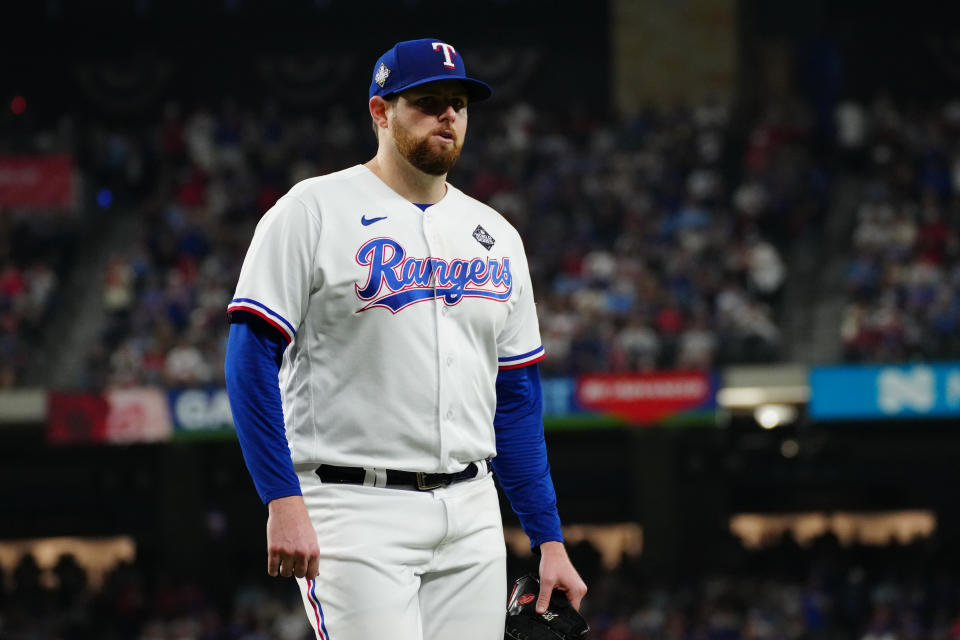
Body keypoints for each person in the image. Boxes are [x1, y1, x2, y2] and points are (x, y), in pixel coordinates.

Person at [224, 37, 586, 640]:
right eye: (427, 101)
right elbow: (249, 357)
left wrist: (548, 539)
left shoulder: (494, 233)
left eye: (459, 103)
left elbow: (517, 400)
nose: (448, 115)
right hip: (353, 503)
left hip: (472, 511)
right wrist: (280, 499)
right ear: (380, 111)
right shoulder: (313, 211)